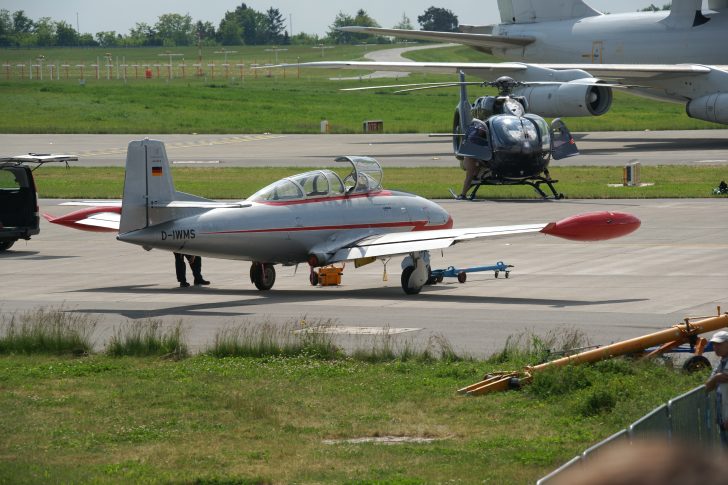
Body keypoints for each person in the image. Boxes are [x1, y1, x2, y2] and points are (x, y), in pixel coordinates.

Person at [457, 119, 490, 200]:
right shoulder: (475, 134)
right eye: (481, 131)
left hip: (479, 156)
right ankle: (463, 194)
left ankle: (475, 179)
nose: (481, 131)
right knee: (470, 175)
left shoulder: (476, 129)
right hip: (472, 157)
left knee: (472, 174)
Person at [705, 329, 728, 446]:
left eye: (719, 344)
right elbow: (708, 386)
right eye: (714, 344)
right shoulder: (721, 362)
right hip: (722, 419)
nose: (715, 347)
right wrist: (716, 378)